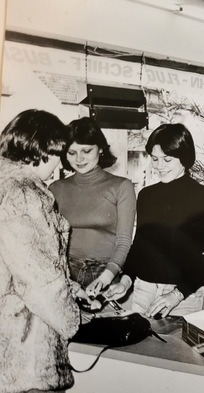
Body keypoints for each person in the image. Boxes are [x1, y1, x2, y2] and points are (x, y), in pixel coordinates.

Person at [0, 109, 83, 393]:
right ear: (41, 152)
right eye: (59, 155)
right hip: (25, 342)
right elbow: (39, 279)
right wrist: (71, 318)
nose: (62, 166)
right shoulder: (24, 194)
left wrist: (71, 287)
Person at [105, 123, 204, 318]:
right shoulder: (146, 195)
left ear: (184, 158)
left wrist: (177, 295)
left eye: (167, 160)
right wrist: (126, 280)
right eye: (155, 159)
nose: (159, 166)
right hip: (143, 291)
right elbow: (140, 245)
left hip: (184, 296)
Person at [49, 117, 136, 298]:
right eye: (71, 153)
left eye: (86, 151)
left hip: (107, 271)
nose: (79, 159)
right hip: (66, 274)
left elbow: (124, 241)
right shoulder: (55, 188)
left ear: (101, 148)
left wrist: (106, 277)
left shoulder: (122, 186)